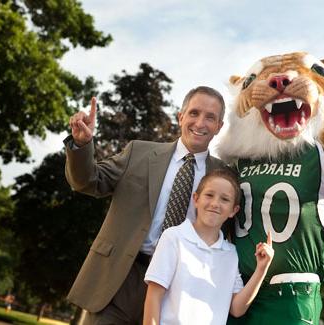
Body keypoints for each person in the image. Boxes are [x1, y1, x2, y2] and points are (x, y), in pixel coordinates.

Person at [65, 86, 227, 325]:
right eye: (194, 113)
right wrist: (82, 144)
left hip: (176, 288)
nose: (200, 123)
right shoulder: (139, 152)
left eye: (210, 117)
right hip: (120, 279)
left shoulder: (224, 176)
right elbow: (89, 182)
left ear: (219, 127)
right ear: (180, 116)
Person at [143, 169, 274, 325]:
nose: (215, 204)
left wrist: (261, 269)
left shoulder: (230, 253)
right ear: (196, 199)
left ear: (234, 210)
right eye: (209, 195)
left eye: (225, 199)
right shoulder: (173, 237)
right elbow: (153, 296)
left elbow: (237, 309)